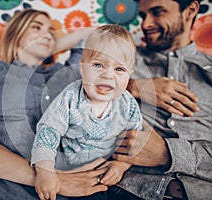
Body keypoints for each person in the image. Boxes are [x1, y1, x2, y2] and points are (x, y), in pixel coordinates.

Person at [0, 8, 108, 199]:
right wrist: (54, 180)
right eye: (36, 27)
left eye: (51, 31)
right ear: (16, 34)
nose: (47, 35)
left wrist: (53, 45)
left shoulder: (67, 75)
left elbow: (94, 35)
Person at [108, 0, 212, 199]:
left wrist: (167, 153)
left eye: (157, 12)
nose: (145, 24)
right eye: (143, 15)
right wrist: (132, 86)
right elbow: (76, 97)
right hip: (125, 191)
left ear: (190, 10)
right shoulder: (124, 60)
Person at [31, 24, 143, 200]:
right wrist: (45, 170)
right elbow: (48, 132)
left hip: (106, 172)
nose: (108, 75)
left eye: (119, 69)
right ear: (82, 68)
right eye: (98, 65)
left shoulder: (127, 105)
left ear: (129, 74)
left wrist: (120, 165)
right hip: (68, 171)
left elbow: (133, 142)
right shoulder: (70, 98)